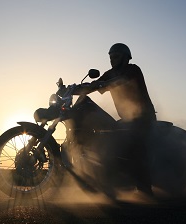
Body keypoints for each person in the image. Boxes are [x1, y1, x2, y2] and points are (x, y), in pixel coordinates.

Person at [77, 43, 156, 196]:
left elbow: (121, 80)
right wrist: (76, 89)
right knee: (109, 140)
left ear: (126, 57)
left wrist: (104, 84)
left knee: (136, 146)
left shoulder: (133, 69)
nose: (112, 60)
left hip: (143, 117)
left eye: (116, 56)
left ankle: (145, 188)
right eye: (111, 57)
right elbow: (95, 84)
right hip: (126, 119)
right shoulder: (110, 73)